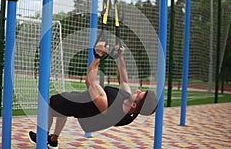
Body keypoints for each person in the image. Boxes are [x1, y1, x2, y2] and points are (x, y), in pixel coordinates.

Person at [28, 42, 158, 149]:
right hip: (92, 107)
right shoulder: (132, 108)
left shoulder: (111, 107)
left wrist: (98, 55)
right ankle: (53, 141)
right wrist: (120, 58)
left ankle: (42, 139)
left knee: (50, 103)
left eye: (140, 94)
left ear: (134, 104)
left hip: (83, 105)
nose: (139, 90)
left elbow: (90, 81)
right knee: (61, 110)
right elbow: (123, 80)